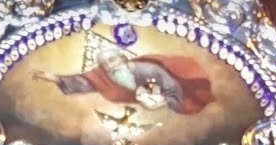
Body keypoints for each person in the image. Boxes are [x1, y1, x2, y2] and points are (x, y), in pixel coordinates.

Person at [32, 48, 216, 115]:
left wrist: (163, 102)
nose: (109, 66)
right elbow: (83, 82)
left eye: (112, 60)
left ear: (123, 59)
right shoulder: (104, 76)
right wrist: (53, 78)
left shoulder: (149, 70)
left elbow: (172, 88)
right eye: (105, 64)